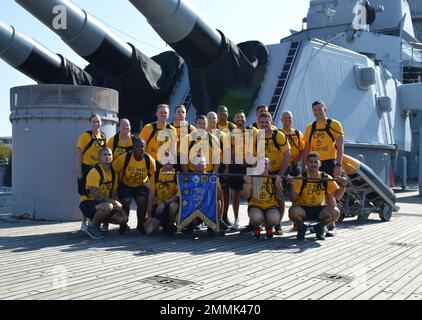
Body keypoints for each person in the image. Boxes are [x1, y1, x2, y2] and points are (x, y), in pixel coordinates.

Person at [303, 100, 344, 236]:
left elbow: (340, 145)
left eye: (320, 109)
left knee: (330, 194)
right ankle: (317, 223)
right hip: (314, 164)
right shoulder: (310, 127)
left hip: (329, 163)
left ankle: (331, 225)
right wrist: (304, 166)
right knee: (314, 192)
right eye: (315, 110)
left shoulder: (334, 125)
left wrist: (338, 164)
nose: (318, 112)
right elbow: (307, 149)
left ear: (325, 110)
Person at [288, 152, 347, 240]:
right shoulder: (300, 178)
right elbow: (292, 198)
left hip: (319, 209)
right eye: (311, 162)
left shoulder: (326, 177)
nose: (313, 164)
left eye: (316, 162)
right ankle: (301, 227)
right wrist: (291, 184)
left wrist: (343, 185)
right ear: (307, 163)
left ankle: (319, 227)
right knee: (292, 211)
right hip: (304, 209)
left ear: (320, 164)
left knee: (336, 212)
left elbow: (338, 196)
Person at [79, 147, 128, 240]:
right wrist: (114, 202)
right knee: (108, 206)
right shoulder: (95, 172)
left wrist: (120, 209)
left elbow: (114, 193)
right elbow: (96, 195)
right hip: (88, 203)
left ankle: (97, 223)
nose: (107, 156)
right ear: (99, 157)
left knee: (124, 219)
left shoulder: (113, 173)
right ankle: (92, 227)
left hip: (103, 204)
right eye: (104, 154)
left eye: (109, 154)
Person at [113, 137, 156, 234]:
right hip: (125, 184)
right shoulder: (125, 157)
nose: (139, 148)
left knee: (142, 202)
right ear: (133, 147)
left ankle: (140, 224)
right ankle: (123, 224)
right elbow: (113, 171)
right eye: (137, 146)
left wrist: (152, 190)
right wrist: (115, 187)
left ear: (145, 148)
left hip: (140, 184)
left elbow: (154, 176)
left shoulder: (149, 160)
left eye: (142, 146)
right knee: (126, 201)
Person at [259, 111, 291, 234]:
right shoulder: (257, 136)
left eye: (266, 122)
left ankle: (278, 224)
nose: (264, 124)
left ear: (271, 122)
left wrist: (280, 175)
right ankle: (263, 222)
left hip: (279, 170)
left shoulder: (278, 134)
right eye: (261, 122)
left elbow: (287, 155)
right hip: (264, 171)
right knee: (264, 196)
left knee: (279, 198)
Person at [76, 114, 107, 232]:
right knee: (85, 195)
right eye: (93, 122)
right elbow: (79, 155)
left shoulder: (103, 137)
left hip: (98, 170)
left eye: (98, 121)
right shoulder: (85, 136)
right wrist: (80, 173)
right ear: (90, 123)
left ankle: (96, 221)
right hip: (86, 168)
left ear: (101, 123)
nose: (96, 124)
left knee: (97, 195)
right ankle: (84, 222)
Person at [181, 155, 223, 238]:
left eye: (201, 162)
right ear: (193, 165)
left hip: (208, 207)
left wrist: (219, 219)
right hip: (193, 207)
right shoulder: (188, 179)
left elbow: (220, 198)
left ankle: (213, 226)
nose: (199, 165)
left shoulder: (212, 179)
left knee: (218, 202)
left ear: (206, 165)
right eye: (197, 163)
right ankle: (191, 225)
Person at [229, 110, 258, 230]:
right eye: (237, 116)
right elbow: (229, 151)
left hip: (251, 166)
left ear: (245, 118)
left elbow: (258, 147)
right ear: (234, 120)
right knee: (235, 194)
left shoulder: (253, 131)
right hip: (237, 166)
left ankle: (253, 220)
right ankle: (236, 219)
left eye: (242, 116)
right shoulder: (231, 133)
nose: (240, 118)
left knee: (251, 194)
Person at [243, 158, 284, 239]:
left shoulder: (274, 178)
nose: (263, 166)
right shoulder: (252, 178)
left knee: (274, 219)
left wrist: (278, 185)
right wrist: (247, 184)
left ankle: (269, 227)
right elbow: (246, 196)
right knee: (256, 217)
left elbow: (280, 197)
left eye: (265, 163)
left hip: (271, 205)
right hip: (255, 205)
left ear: (270, 167)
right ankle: (256, 227)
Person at [280, 111, 305, 231]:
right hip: (282, 167)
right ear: (281, 119)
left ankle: (296, 223)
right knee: (279, 195)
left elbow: (302, 150)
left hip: (294, 167)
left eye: (290, 117)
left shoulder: (297, 133)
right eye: (285, 117)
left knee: (296, 196)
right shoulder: (278, 133)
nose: (287, 119)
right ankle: (277, 223)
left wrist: (294, 162)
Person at [144, 158, 179, 236]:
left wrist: (165, 202)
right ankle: (161, 223)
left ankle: (171, 225)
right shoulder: (156, 174)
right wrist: (149, 215)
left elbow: (178, 196)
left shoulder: (177, 174)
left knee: (174, 206)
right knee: (148, 231)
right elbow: (151, 195)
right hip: (158, 206)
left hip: (170, 204)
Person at [171, 105, 196, 172]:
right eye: (178, 112)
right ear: (174, 114)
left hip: (186, 159)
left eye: (183, 112)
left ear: (185, 115)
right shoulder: (168, 128)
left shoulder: (191, 129)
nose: (180, 114)